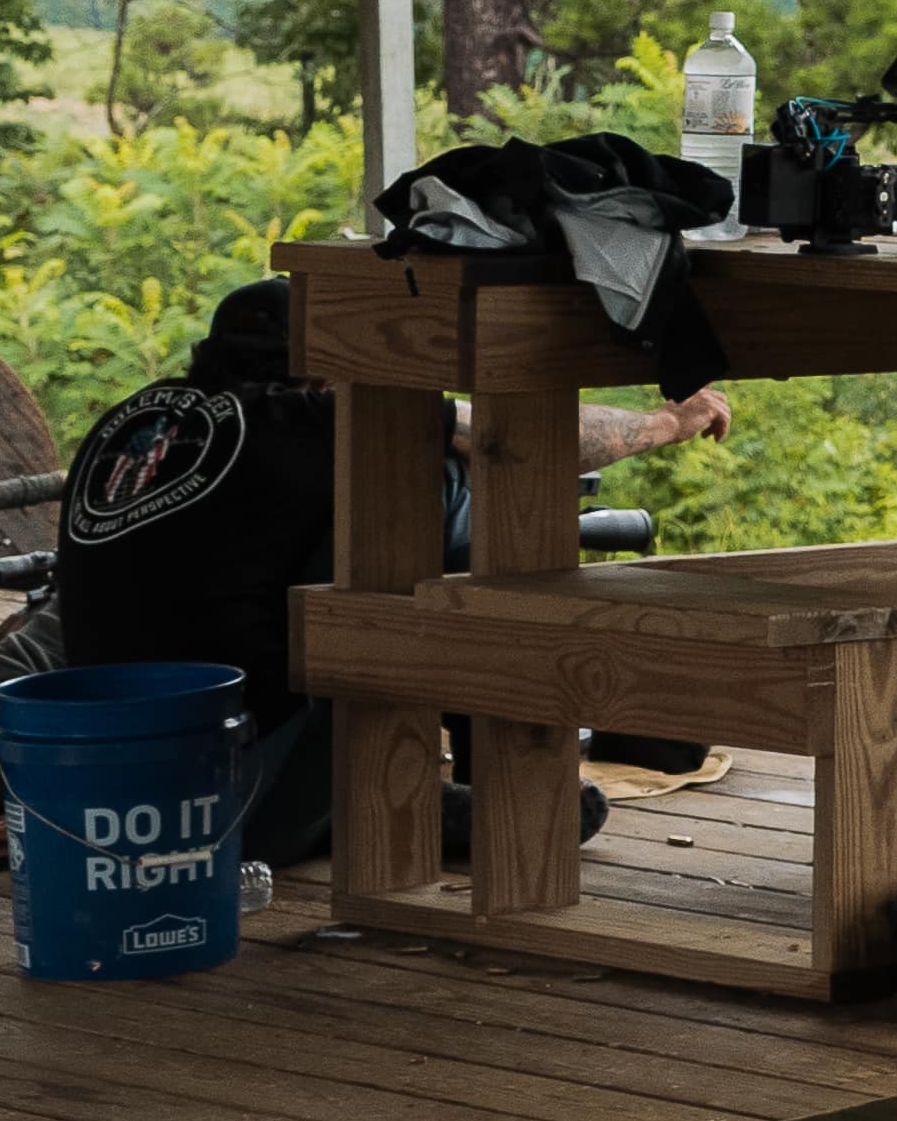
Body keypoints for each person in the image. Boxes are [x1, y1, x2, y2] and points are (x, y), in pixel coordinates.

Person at [46, 277, 730, 877]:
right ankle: (497, 779)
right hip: (240, 808)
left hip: (105, 797)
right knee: (444, 478)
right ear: (324, 370)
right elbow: (522, 436)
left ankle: (406, 787)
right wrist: (670, 421)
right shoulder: (310, 417)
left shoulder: (131, 419)